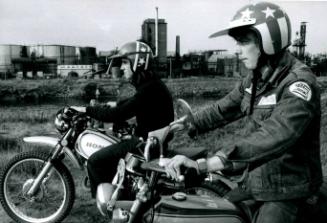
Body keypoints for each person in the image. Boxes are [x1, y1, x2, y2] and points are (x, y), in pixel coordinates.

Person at [164, 2, 322, 223]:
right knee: (216, 215)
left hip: (288, 190)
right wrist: (183, 124)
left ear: (269, 40)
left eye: (244, 41)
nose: (237, 50)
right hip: (256, 182)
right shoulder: (256, 78)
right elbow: (223, 108)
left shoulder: (298, 83)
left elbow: (274, 135)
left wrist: (207, 163)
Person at [71, 41, 174, 198]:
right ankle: (121, 191)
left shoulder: (149, 89)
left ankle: (109, 205)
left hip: (145, 143)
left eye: (126, 62)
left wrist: (87, 110)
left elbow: (117, 114)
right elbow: (134, 102)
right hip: (151, 140)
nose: (122, 67)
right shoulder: (151, 85)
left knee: (95, 161)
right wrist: (116, 103)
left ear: (138, 63)